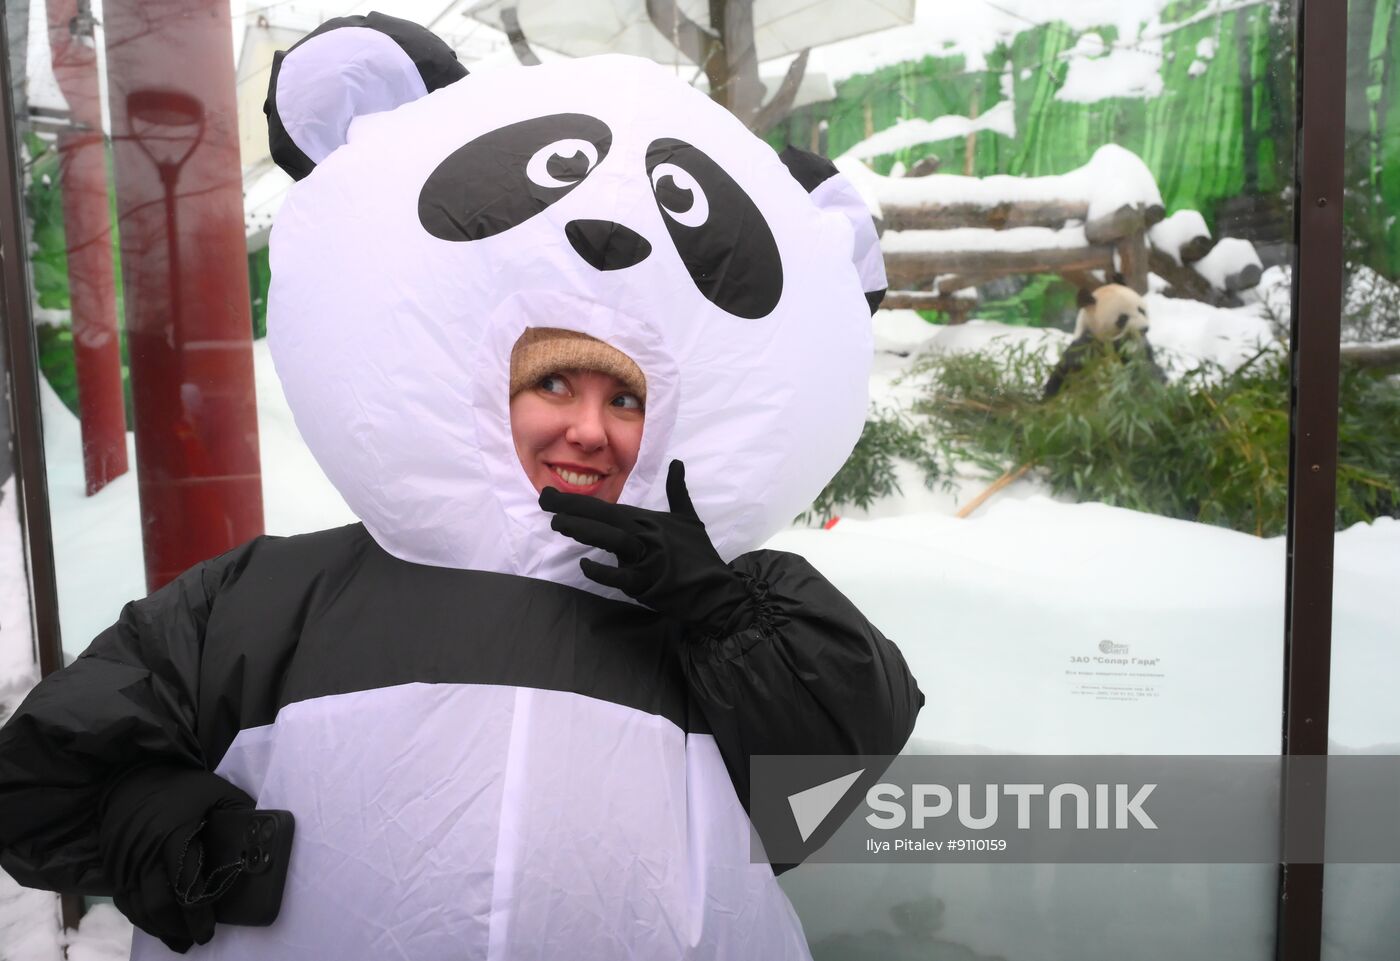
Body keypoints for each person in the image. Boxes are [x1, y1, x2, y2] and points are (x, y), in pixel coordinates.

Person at [0, 14, 921, 961]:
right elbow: (40, 774)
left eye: (626, 398)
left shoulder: (726, 617)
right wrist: (150, 816)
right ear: (486, 386)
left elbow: (829, 789)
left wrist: (723, 615)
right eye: (552, 382)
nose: (589, 429)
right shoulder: (268, 605)